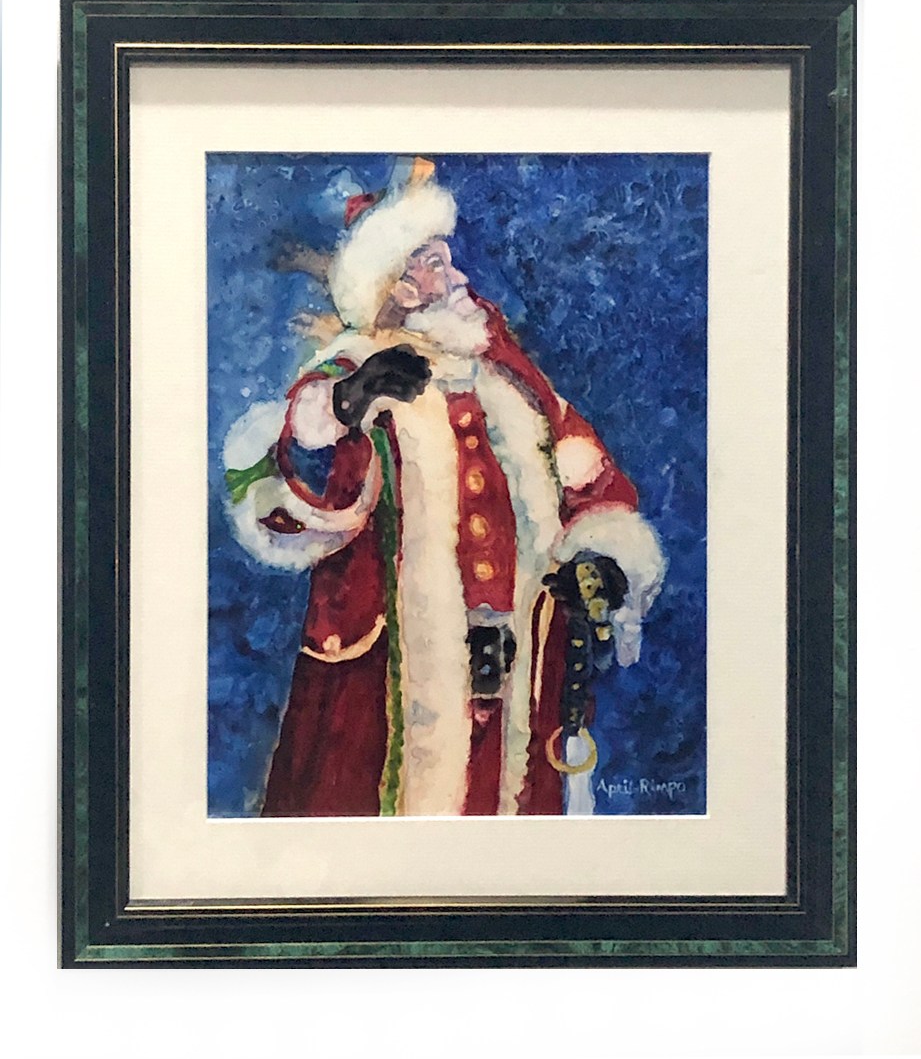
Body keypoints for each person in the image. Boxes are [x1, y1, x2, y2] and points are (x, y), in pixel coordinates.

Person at [223, 157, 666, 817]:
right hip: (396, 671)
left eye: (445, 257)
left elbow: (589, 477)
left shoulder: (508, 378)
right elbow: (283, 488)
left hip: (518, 663)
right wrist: (346, 404)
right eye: (431, 261)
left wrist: (603, 558)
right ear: (396, 286)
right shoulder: (350, 375)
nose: (455, 275)